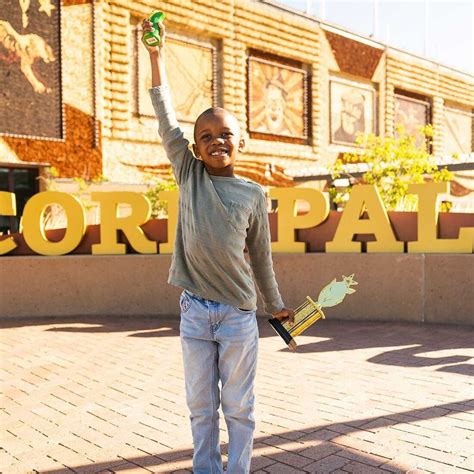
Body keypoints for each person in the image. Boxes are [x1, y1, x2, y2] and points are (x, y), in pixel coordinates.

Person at [142, 17, 294, 474]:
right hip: (194, 313)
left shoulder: (252, 194)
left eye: (225, 134)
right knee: (201, 408)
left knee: (240, 409)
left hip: (238, 317)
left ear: (241, 141)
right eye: (205, 136)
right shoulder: (188, 175)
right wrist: (155, 55)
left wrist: (278, 306)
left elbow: (261, 257)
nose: (216, 141)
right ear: (194, 147)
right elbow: (165, 117)